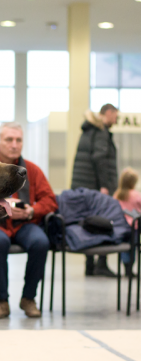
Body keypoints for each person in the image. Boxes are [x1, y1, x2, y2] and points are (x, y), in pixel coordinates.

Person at [0, 122, 57, 319]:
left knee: (41, 242)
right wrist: (2, 208)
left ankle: (28, 298)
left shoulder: (32, 169)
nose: (14, 144)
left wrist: (32, 210)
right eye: (9, 140)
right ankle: (2, 301)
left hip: (25, 223)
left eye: (18, 140)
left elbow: (50, 200)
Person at [71, 104, 119, 277]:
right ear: (108, 113)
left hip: (83, 185)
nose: (116, 120)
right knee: (102, 223)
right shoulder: (101, 131)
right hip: (96, 187)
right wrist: (104, 185)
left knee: (88, 223)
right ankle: (101, 264)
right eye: (116, 116)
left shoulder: (88, 130)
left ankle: (89, 266)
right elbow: (100, 159)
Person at [114, 167, 141, 277]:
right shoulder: (136, 195)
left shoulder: (117, 194)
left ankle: (126, 268)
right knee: (132, 247)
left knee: (123, 247)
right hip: (133, 227)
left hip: (120, 226)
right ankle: (130, 269)